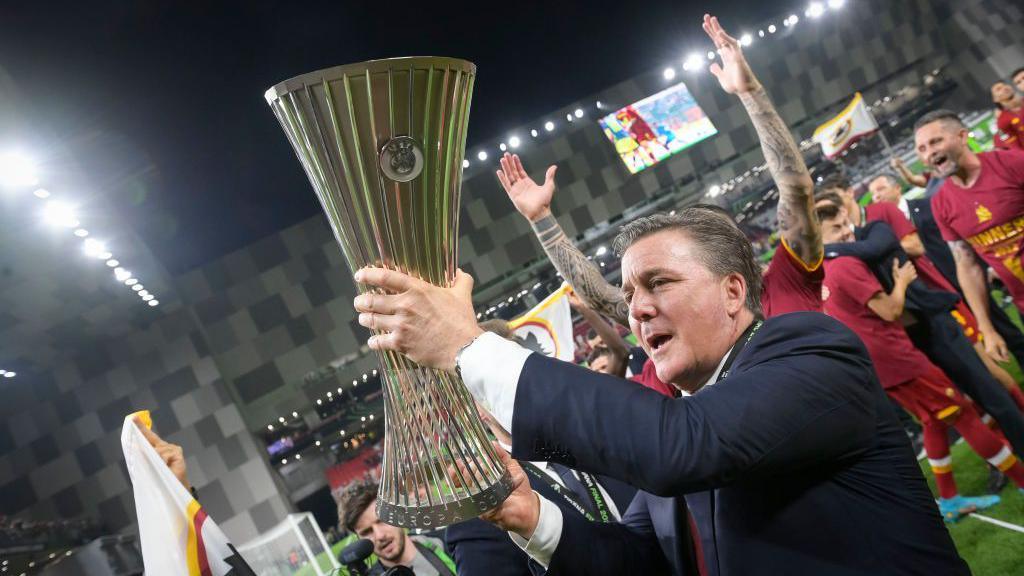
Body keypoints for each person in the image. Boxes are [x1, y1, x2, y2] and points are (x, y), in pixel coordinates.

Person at [351, 18, 967, 576]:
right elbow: (644, 564)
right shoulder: (679, 418)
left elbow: (686, 445)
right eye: (630, 291)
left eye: (659, 283)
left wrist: (467, 344)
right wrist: (533, 517)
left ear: (734, 290)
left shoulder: (810, 351)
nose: (636, 308)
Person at [817, 202, 1024, 519]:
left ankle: (972, 483)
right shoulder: (843, 262)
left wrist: (827, 248)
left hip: (933, 327)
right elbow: (886, 307)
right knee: (959, 411)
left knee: (985, 391)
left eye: (844, 222)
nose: (846, 230)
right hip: (905, 346)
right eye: (836, 228)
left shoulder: (874, 227)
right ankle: (1004, 476)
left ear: (849, 207)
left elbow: (882, 245)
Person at [917, 109, 1024, 363]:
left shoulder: (1011, 164)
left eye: (935, 141)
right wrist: (986, 327)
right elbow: (967, 265)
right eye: (921, 149)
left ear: (962, 136)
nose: (929, 152)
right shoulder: (941, 203)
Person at [338, 482, 457, 576]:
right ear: (359, 539)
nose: (379, 536)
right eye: (367, 532)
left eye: (382, 521)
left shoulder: (448, 543)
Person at [992, 81, 1024, 151]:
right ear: (995, 99)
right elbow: (1015, 148)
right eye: (998, 89)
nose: (1005, 88)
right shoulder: (1002, 121)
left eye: (1005, 85)